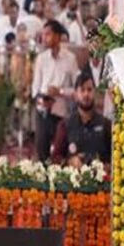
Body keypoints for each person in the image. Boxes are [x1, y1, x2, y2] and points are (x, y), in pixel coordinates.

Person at [31, 19, 79, 162]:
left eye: (48, 34)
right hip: (44, 109)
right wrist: (41, 100)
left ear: (58, 36)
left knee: (60, 152)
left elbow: (77, 90)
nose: (44, 38)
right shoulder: (41, 59)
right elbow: (35, 88)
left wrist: (60, 92)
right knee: (42, 149)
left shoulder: (70, 59)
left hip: (62, 110)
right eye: (43, 34)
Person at [51, 72, 110, 166]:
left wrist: (106, 166)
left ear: (94, 92)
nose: (86, 94)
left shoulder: (105, 124)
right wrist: (69, 162)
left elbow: (113, 157)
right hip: (74, 174)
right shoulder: (65, 125)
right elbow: (55, 158)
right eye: (82, 90)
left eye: (89, 90)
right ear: (75, 94)